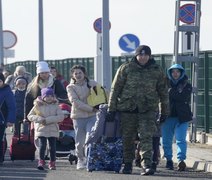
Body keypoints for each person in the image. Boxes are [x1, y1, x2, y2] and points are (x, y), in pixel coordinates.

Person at [106, 45, 169, 175]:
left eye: (146, 55)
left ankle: (147, 164)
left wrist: (164, 111)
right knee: (128, 138)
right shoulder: (126, 68)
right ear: (136, 55)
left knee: (146, 137)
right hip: (128, 109)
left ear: (150, 56)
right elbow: (115, 89)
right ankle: (128, 164)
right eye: (140, 55)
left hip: (148, 109)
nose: (143, 57)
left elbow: (163, 92)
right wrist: (111, 109)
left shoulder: (156, 70)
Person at [66, 65, 99, 170]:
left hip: (92, 116)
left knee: (91, 137)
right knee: (79, 141)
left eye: (80, 73)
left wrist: (99, 106)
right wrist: (91, 108)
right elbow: (75, 102)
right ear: (73, 75)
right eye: (75, 73)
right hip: (78, 117)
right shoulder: (70, 87)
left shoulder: (92, 83)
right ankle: (80, 159)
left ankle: (90, 159)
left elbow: (103, 94)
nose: (78, 75)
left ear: (84, 73)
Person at [161, 64, 192, 171]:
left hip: (182, 117)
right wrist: (174, 93)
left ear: (181, 73)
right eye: (173, 72)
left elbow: (183, 97)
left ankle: (181, 160)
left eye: (177, 72)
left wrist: (170, 93)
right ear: (170, 73)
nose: (175, 74)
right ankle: (169, 160)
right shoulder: (164, 84)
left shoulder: (186, 84)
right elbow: (162, 96)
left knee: (181, 140)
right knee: (166, 140)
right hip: (167, 116)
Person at [27, 87, 64, 170]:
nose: (49, 98)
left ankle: (52, 162)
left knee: (52, 147)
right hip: (41, 129)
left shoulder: (56, 106)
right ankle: (41, 161)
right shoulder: (37, 106)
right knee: (42, 146)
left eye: (51, 96)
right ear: (43, 97)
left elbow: (61, 117)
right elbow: (30, 116)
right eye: (47, 96)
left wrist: (47, 120)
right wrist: (39, 119)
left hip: (52, 129)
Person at [0, 73, 16, 165]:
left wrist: (10, 120)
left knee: (0, 139)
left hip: (2, 120)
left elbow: (12, 107)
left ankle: (1, 158)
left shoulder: (7, 91)